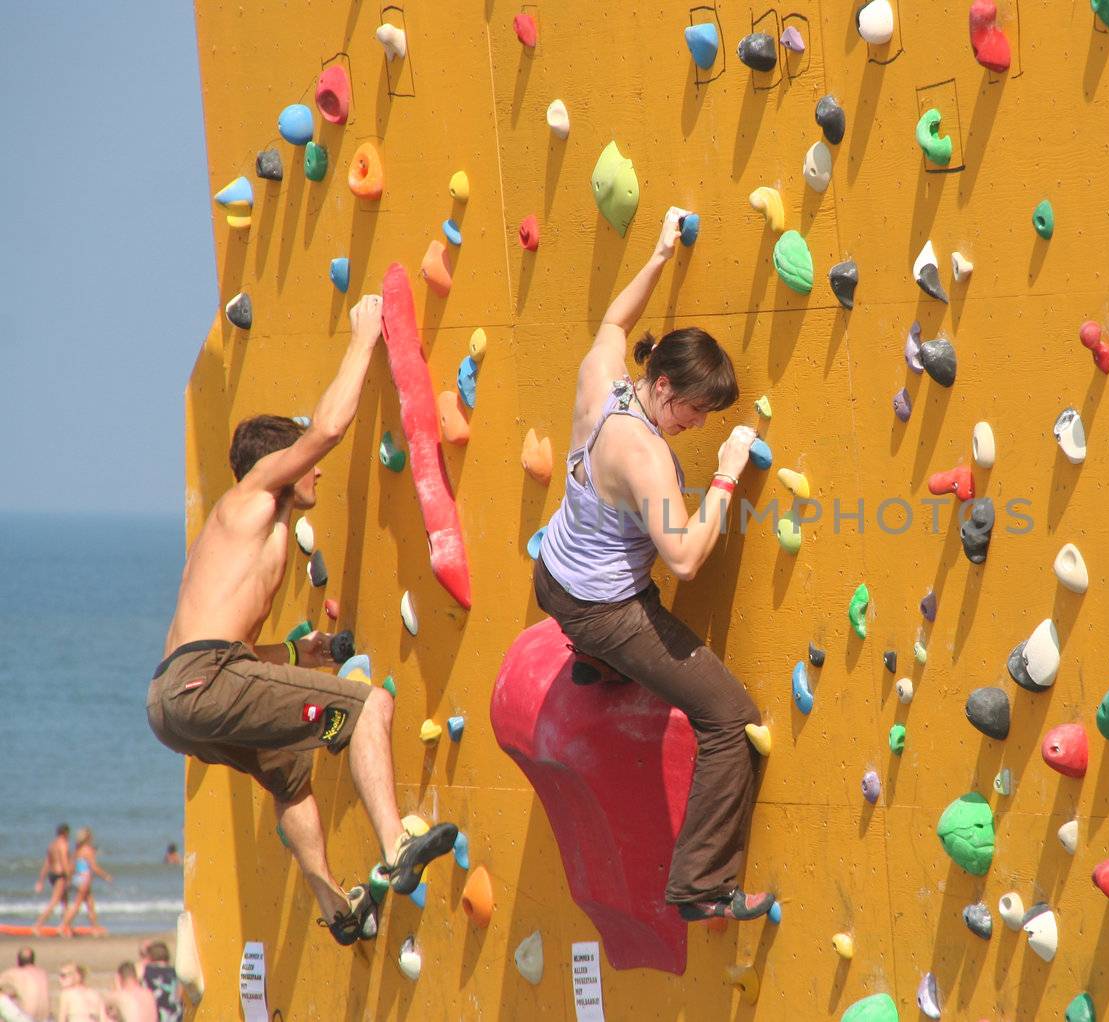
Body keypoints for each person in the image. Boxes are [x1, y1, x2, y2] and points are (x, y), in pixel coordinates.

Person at [145, 296, 458, 946]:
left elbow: (218, 647)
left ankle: (336, 904)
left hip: (177, 701)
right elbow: (328, 432)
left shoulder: (242, 531)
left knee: (289, 773)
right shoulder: (256, 489)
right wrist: (362, 338)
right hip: (207, 681)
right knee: (367, 708)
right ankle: (398, 844)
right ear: (277, 464)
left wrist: (301, 655)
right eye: (303, 463)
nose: (315, 470)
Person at [535, 207, 773, 923]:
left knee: (607, 632)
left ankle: (596, 663)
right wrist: (727, 474)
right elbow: (687, 558)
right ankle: (701, 889)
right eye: (696, 413)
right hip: (605, 609)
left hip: (553, 573)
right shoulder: (643, 456)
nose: (700, 428)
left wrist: (661, 255)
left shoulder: (602, 377)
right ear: (664, 388)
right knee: (730, 719)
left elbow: (613, 322)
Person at [59, 829, 112, 934]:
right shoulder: (88, 850)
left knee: (90, 904)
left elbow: (72, 866)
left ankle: (95, 927)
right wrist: (106, 876)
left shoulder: (77, 850)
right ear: (88, 838)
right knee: (77, 905)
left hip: (77, 878)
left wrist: (69, 879)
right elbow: (94, 867)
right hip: (85, 879)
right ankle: (62, 926)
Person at [31, 825, 71, 931]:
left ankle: (66, 926)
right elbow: (64, 861)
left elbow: (47, 863)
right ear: (65, 833)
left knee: (65, 902)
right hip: (61, 874)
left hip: (52, 875)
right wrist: (69, 877)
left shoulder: (52, 845)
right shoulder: (63, 844)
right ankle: (38, 925)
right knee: (55, 901)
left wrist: (41, 880)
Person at [136, 942, 180, 1022]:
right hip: (175, 1017)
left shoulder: (145, 971)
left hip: (154, 1016)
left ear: (150, 957)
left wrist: (144, 959)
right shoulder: (176, 973)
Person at [0, 949, 48, 1020]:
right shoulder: (42, 973)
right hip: (45, 1019)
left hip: (26, 1018)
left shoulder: (15, 973)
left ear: (18, 960)